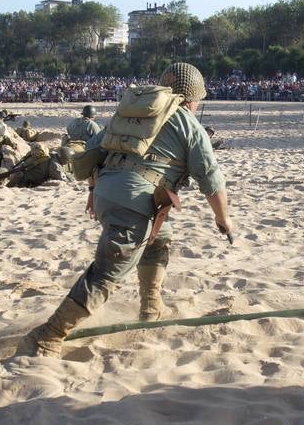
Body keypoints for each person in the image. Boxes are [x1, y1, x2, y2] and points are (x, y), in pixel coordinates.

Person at [22, 63, 233, 357]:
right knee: (107, 272)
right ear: (193, 98)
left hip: (109, 192)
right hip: (134, 201)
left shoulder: (132, 113)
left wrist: (93, 191)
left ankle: (150, 309)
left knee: (159, 238)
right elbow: (211, 177)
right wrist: (222, 218)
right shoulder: (188, 123)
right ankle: (49, 335)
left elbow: (96, 150)